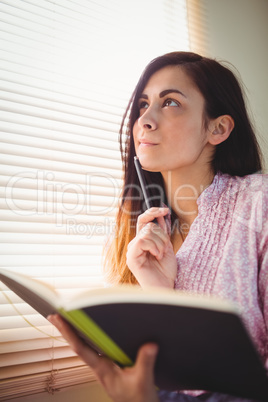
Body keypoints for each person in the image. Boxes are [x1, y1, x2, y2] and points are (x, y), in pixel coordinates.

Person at [48, 51, 268, 402]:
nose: (145, 121)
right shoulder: (144, 236)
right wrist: (159, 290)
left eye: (170, 103)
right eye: (143, 105)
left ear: (218, 128)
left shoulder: (260, 204)